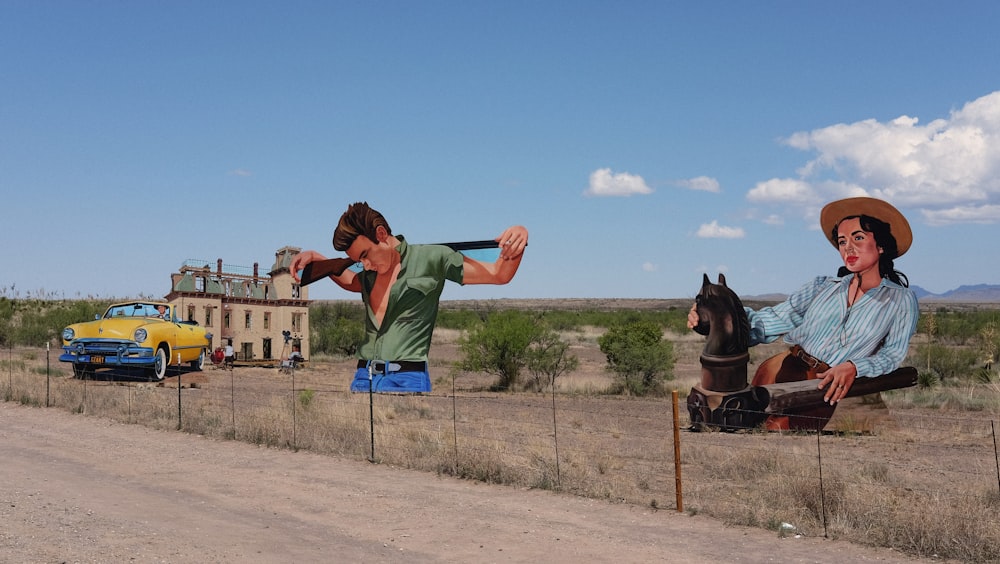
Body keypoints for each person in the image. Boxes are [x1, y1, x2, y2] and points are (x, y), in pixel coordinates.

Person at [686, 197, 919, 430]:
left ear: (880, 246)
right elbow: (773, 321)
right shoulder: (822, 287)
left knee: (781, 436)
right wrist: (717, 318)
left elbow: (892, 354)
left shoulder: (900, 300)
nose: (848, 247)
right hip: (780, 367)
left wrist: (855, 367)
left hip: (823, 382)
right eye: (842, 241)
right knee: (745, 426)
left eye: (858, 238)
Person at [290, 201, 528, 393]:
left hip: (408, 380)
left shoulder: (432, 258)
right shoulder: (367, 276)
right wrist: (318, 260)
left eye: (366, 254)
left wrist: (519, 234)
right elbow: (348, 280)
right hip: (363, 378)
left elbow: (498, 274)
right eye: (358, 261)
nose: (365, 265)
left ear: (381, 234)